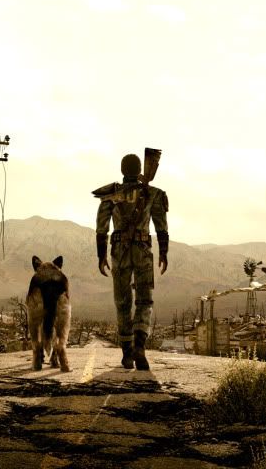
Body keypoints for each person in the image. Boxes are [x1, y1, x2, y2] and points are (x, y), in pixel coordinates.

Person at [93, 152, 168, 370]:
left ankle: (127, 353)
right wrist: (164, 253)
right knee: (144, 300)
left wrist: (101, 256)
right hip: (143, 251)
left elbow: (101, 228)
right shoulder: (153, 193)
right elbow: (161, 226)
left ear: (122, 170)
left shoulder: (110, 194)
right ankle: (140, 346)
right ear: (140, 170)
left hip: (120, 252)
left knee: (122, 302)